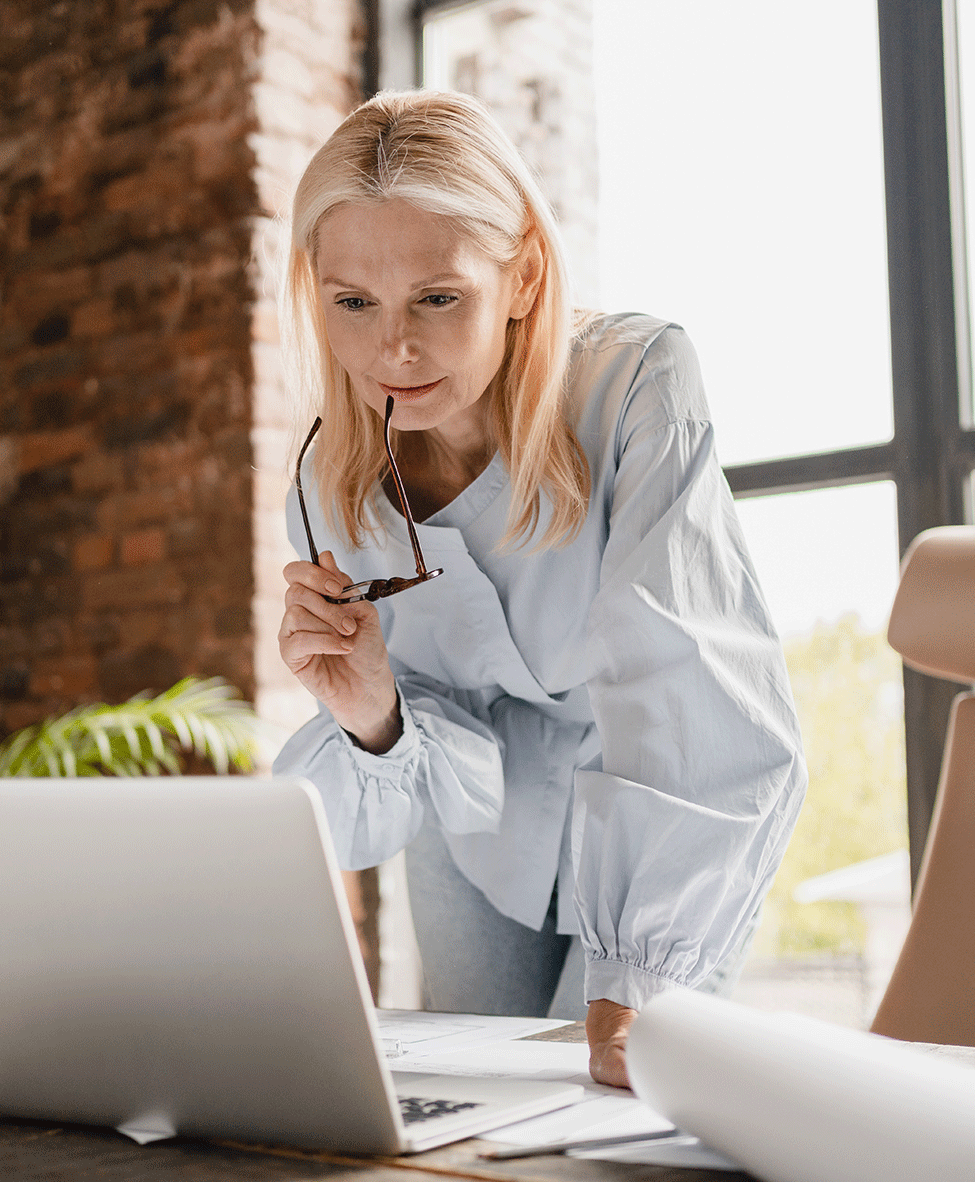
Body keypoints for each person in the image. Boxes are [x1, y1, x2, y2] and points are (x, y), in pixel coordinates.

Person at [274, 89, 807, 1088]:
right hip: (478, 827)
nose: (394, 350)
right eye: (354, 303)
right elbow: (405, 754)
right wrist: (373, 716)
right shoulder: (326, 483)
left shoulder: (637, 382)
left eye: (437, 297)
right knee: (469, 1103)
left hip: (655, 788)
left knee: (613, 1099)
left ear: (520, 276)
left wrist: (642, 978)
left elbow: (680, 676)